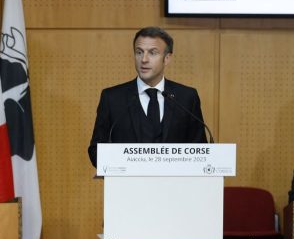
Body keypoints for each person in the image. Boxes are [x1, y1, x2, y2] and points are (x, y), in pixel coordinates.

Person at [88, 26, 208, 167]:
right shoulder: (112, 98)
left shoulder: (186, 97)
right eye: (139, 52)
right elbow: (96, 149)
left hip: (176, 186)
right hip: (128, 186)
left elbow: (201, 149)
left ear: (167, 58)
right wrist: (119, 167)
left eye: (152, 53)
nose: (144, 59)